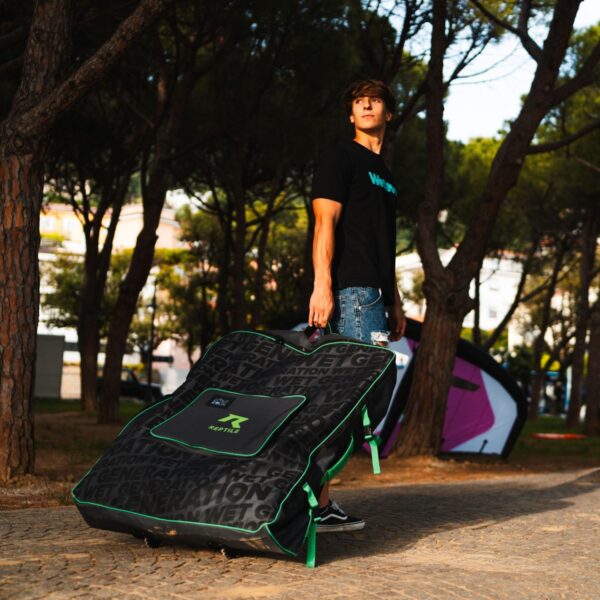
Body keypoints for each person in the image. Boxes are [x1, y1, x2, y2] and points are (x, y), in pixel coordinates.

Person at [308, 79, 406, 533]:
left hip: (375, 297)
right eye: (358, 101)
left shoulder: (385, 175)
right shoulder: (340, 157)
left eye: (375, 99)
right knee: (351, 398)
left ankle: (318, 500)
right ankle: (311, 496)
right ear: (351, 114)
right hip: (351, 292)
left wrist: (395, 299)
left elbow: (385, 244)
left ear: (388, 112)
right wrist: (322, 285)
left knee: (356, 397)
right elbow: (324, 223)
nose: (367, 105)